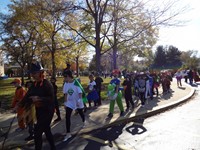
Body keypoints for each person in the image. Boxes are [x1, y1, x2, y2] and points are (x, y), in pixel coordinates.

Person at [25, 61, 56, 150]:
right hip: (39, 111)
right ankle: (53, 147)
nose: (33, 75)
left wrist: (39, 98)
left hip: (48, 111)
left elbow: (51, 99)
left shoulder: (47, 84)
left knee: (37, 132)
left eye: (35, 73)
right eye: (32, 73)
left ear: (41, 73)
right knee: (47, 130)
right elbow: (27, 96)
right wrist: (18, 105)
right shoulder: (34, 85)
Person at [63, 70, 85, 142]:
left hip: (77, 101)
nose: (64, 79)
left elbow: (80, 92)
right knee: (67, 116)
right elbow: (65, 94)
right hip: (70, 102)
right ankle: (68, 133)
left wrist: (79, 100)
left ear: (69, 76)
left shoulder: (76, 83)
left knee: (81, 112)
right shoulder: (66, 84)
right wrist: (65, 103)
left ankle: (84, 121)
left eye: (65, 77)